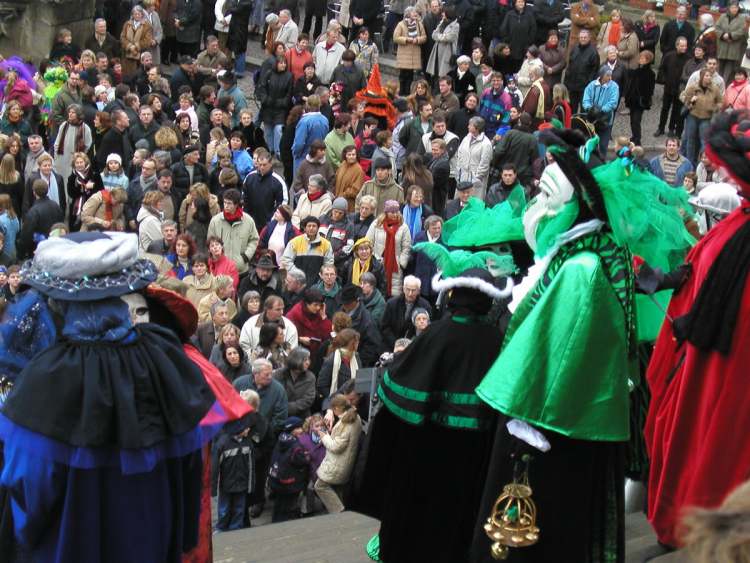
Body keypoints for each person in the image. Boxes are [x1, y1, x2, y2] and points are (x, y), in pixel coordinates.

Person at [355, 246, 512, 563]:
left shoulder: (438, 333)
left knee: (421, 505)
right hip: (474, 451)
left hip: (428, 445)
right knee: (460, 507)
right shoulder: (496, 341)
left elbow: (398, 385)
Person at [644, 110, 750, 551]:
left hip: (724, 369)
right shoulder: (736, 225)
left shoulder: (740, 234)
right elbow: (700, 270)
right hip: (702, 358)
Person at [314, 394, 362, 514]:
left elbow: (335, 447)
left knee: (320, 486)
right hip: (344, 464)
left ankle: (340, 513)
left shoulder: (347, 422)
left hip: (337, 465)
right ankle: (341, 516)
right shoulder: (354, 417)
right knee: (337, 490)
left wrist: (323, 435)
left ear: (337, 408)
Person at [212, 416, 255, 531]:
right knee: (223, 509)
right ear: (239, 429)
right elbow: (215, 467)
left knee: (239, 509)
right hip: (226, 484)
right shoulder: (223, 444)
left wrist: (251, 485)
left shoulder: (248, 443)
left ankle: (235, 528)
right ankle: (221, 527)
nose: (248, 430)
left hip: (242, 483)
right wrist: (214, 487)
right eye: (246, 428)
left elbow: (251, 466)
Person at [206, 188, 260, 277]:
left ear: (236, 205)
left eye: (229, 203)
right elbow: (210, 241)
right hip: (220, 270)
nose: (226, 206)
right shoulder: (215, 221)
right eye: (224, 202)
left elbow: (254, 240)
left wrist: (246, 257)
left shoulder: (248, 221)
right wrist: (215, 257)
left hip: (241, 270)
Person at [366, 200, 413, 298]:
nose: (395, 214)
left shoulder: (403, 227)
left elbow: (407, 247)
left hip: (395, 266)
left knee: (394, 294)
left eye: (397, 212)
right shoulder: (377, 224)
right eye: (392, 212)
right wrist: (374, 259)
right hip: (378, 263)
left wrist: (401, 263)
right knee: (378, 291)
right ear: (386, 212)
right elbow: (368, 242)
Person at [267, 415, 310, 522]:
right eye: (298, 428)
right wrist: (307, 456)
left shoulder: (281, 439)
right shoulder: (295, 446)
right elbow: (302, 461)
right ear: (291, 430)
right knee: (288, 507)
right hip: (290, 483)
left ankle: (275, 522)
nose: (301, 430)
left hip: (277, 480)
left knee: (279, 505)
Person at [680, 69, 723, 165]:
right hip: (693, 116)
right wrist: (690, 101)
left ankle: (703, 163)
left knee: (704, 141)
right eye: (706, 76)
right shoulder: (693, 87)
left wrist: (714, 108)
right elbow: (683, 96)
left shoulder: (714, 89)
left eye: (710, 76)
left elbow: (720, 102)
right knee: (690, 140)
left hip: (706, 118)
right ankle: (690, 163)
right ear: (702, 77)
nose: (708, 77)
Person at [257, 57, 293, 160]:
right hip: (268, 108)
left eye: (284, 63)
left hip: (280, 109)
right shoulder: (269, 73)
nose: (283, 65)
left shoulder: (289, 76)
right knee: (268, 130)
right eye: (281, 63)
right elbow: (263, 87)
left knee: (278, 130)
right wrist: (266, 99)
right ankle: (270, 149)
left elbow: (288, 94)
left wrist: (281, 102)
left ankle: (278, 151)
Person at [656, 37, 691, 138]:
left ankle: (671, 128)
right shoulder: (669, 56)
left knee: (676, 110)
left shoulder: (688, 59)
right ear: (677, 46)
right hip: (669, 87)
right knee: (665, 109)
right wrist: (665, 80)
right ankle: (661, 128)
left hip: (680, 89)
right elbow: (662, 68)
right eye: (682, 46)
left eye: (685, 46)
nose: (684, 48)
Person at [582, 66, 620, 159]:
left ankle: (601, 162)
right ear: (602, 75)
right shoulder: (592, 85)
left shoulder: (614, 87)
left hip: (605, 121)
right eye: (607, 75)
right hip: (592, 120)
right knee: (590, 143)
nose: (610, 78)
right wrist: (590, 109)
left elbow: (613, 102)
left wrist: (601, 110)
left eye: (611, 75)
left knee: (603, 145)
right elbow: (586, 99)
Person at [456, 116, 493, 201]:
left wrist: (475, 180)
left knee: (474, 204)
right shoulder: (466, 138)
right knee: (460, 204)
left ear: (477, 128)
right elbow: (459, 154)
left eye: (470, 125)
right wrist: (458, 173)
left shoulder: (486, 144)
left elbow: (484, 165)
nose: (468, 126)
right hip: (463, 177)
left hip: (476, 182)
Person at [625, 51, 656, 146]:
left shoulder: (650, 74)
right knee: (632, 120)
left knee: (636, 121)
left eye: (643, 58)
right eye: (640, 58)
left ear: (648, 60)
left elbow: (650, 89)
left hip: (640, 102)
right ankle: (634, 136)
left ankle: (637, 139)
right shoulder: (637, 71)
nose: (641, 60)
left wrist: (644, 98)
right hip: (632, 100)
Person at [565, 29, 601, 113]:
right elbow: (569, 66)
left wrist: (589, 85)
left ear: (589, 38)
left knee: (583, 110)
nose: (583, 39)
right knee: (571, 109)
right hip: (572, 86)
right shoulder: (574, 49)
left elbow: (595, 72)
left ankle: (581, 126)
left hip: (584, 88)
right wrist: (566, 82)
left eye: (585, 37)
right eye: (581, 37)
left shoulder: (593, 53)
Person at [394, 8, 427, 96]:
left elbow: (424, 37)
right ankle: (402, 92)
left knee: (410, 75)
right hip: (404, 54)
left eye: (416, 12)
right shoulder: (401, 24)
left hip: (414, 54)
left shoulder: (419, 25)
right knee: (402, 75)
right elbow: (396, 37)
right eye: (413, 12)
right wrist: (406, 39)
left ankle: (407, 92)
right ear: (408, 14)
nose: (415, 14)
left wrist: (417, 39)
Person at [716, 1, 746, 85]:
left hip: (733, 47)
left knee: (728, 71)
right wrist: (723, 35)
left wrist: (730, 35)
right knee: (719, 68)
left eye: (736, 7)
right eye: (732, 7)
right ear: (729, 8)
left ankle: (724, 86)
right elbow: (717, 27)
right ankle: (716, 85)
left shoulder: (742, 18)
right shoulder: (722, 16)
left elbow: (742, 31)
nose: (734, 9)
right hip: (722, 46)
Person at [121, 5, 154, 77]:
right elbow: (122, 37)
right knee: (127, 75)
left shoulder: (147, 26)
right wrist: (129, 46)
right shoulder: (127, 24)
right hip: (127, 55)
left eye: (139, 14)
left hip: (140, 55)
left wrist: (136, 46)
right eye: (135, 14)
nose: (137, 16)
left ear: (142, 14)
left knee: (138, 75)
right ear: (132, 15)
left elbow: (147, 41)